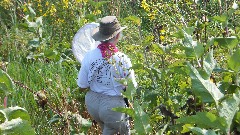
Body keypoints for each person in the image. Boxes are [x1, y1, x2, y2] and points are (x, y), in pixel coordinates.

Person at [77, 16, 137, 135]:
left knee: (106, 127)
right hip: (112, 107)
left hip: (93, 104)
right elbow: (132, 87)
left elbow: (82, 86)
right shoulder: (122, 59)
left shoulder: (89, 56)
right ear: (117, 36)